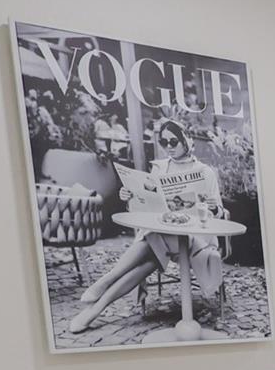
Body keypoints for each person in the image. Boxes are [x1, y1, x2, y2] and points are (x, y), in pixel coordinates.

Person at [68, 118, 225, 333]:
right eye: (164, 142)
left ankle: (104, 284)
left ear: (187, 139)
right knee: (150, 261)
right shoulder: (159, 168)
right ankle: (95, 310)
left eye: (173, 141)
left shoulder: (205, 172)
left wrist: (214, 207)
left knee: (152, 242)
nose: (169, 147)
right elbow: (147, 205)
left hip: (196, 238)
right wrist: (130, 196)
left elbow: (220, 214)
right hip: (164, 232)